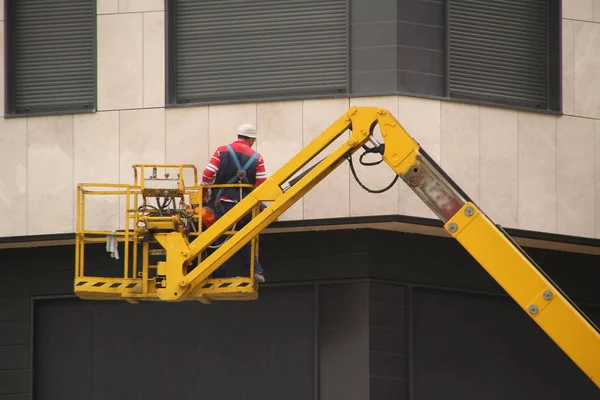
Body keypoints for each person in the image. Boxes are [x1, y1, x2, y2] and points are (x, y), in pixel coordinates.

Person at [201, 123, 267, 283]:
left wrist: (203, 196)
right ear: (251, 139)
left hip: (222, 203)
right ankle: (255, 270)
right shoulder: (257, 158)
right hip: (245, 206)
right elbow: (262, 186)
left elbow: (207, 176)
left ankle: (221, 275)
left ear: (238, 136)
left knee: (220, 238)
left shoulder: (221, 151)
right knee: (244, 237)